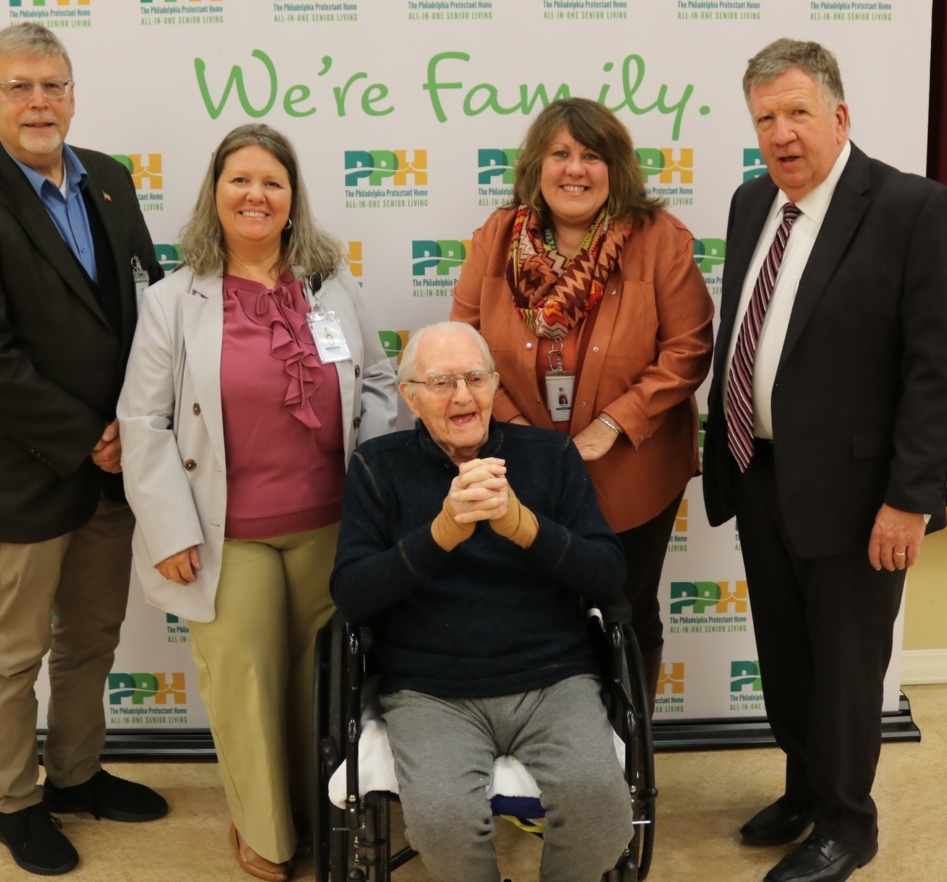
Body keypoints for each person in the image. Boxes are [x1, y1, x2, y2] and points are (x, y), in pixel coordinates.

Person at [702, 39, 947, 882]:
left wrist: (909, 498)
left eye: (797, 113)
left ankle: (849, 825)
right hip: (761, 473)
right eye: (765, 118)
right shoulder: (753, 202)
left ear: (840, 116)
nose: (780, 134)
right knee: (787, 658)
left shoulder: (912, 209)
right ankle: (805, 791)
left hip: (862, 496)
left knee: (848, 669)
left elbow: (941, 370)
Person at [0, 23, 167, 876]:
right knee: (13, 652)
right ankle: (14, 805)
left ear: (72, 94)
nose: (39, 102)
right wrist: (88, 437)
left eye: (53, 85)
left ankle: (77, 775)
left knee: (93, 636)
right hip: (26, 473)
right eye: (19, 87)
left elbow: (145, 309)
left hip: (115, 469)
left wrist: (135, 425)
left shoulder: (110, 180)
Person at [117, 124, 397, 881]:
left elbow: (377, 379)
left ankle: (317, 811)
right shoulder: (174, 301)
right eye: (240, 179)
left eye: (273, 182)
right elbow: (142, 422)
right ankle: (265, 831)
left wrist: (374, 484)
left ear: (293, 199)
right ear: (215, 193)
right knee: (244, 682)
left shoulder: (329, 286)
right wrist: (169, 528)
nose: (256, 195)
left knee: (318, 684)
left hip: (331, 525)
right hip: (225, 534)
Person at [331, 321, 634, 882]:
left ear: (495, 384)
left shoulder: (551, 455)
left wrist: (524, 527)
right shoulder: (377, 466)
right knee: (442, 823)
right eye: (441, 382)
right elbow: (352, 594)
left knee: (602, 813)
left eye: (475, 378)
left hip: (553, 678)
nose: (462, 396)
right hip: (430, 688)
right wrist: (442, 534)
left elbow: (608, 576)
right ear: (410, 396)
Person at [451, 98, 714, 703]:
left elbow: (688, 349)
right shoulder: (496, 238)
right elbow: (466, 346)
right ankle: (553, 740)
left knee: (628, 610)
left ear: (615, 167)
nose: (576, 169)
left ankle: (630, 746)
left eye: (592, 155)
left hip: (633, 467)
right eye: (561, 154)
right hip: (521, 467)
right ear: (536, 166)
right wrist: (520, 432)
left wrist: (614, 424)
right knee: (538, 609)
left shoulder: (659, 239)